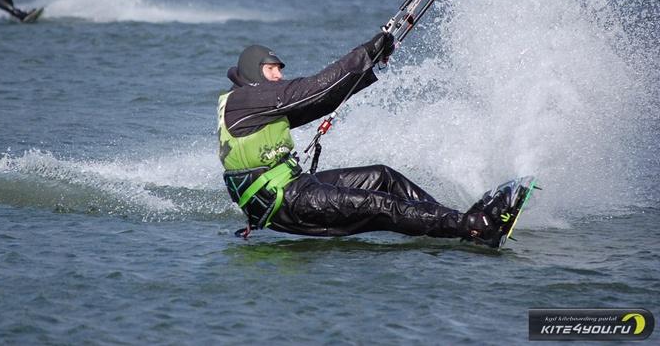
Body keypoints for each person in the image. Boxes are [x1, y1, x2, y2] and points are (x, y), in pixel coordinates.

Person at [217, 33, 512, 246]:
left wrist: (369, 67)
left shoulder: (257, 102)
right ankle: (472, 227)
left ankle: (453, 221)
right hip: (282, 201)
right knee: (379, 205)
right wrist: (366, 52)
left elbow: (321, 101)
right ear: (254, 72)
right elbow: (313, 88)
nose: (279, 76)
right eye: (272, 70)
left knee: (382, 177)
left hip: (292, 188)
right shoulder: (247, 99)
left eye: (280, 70)